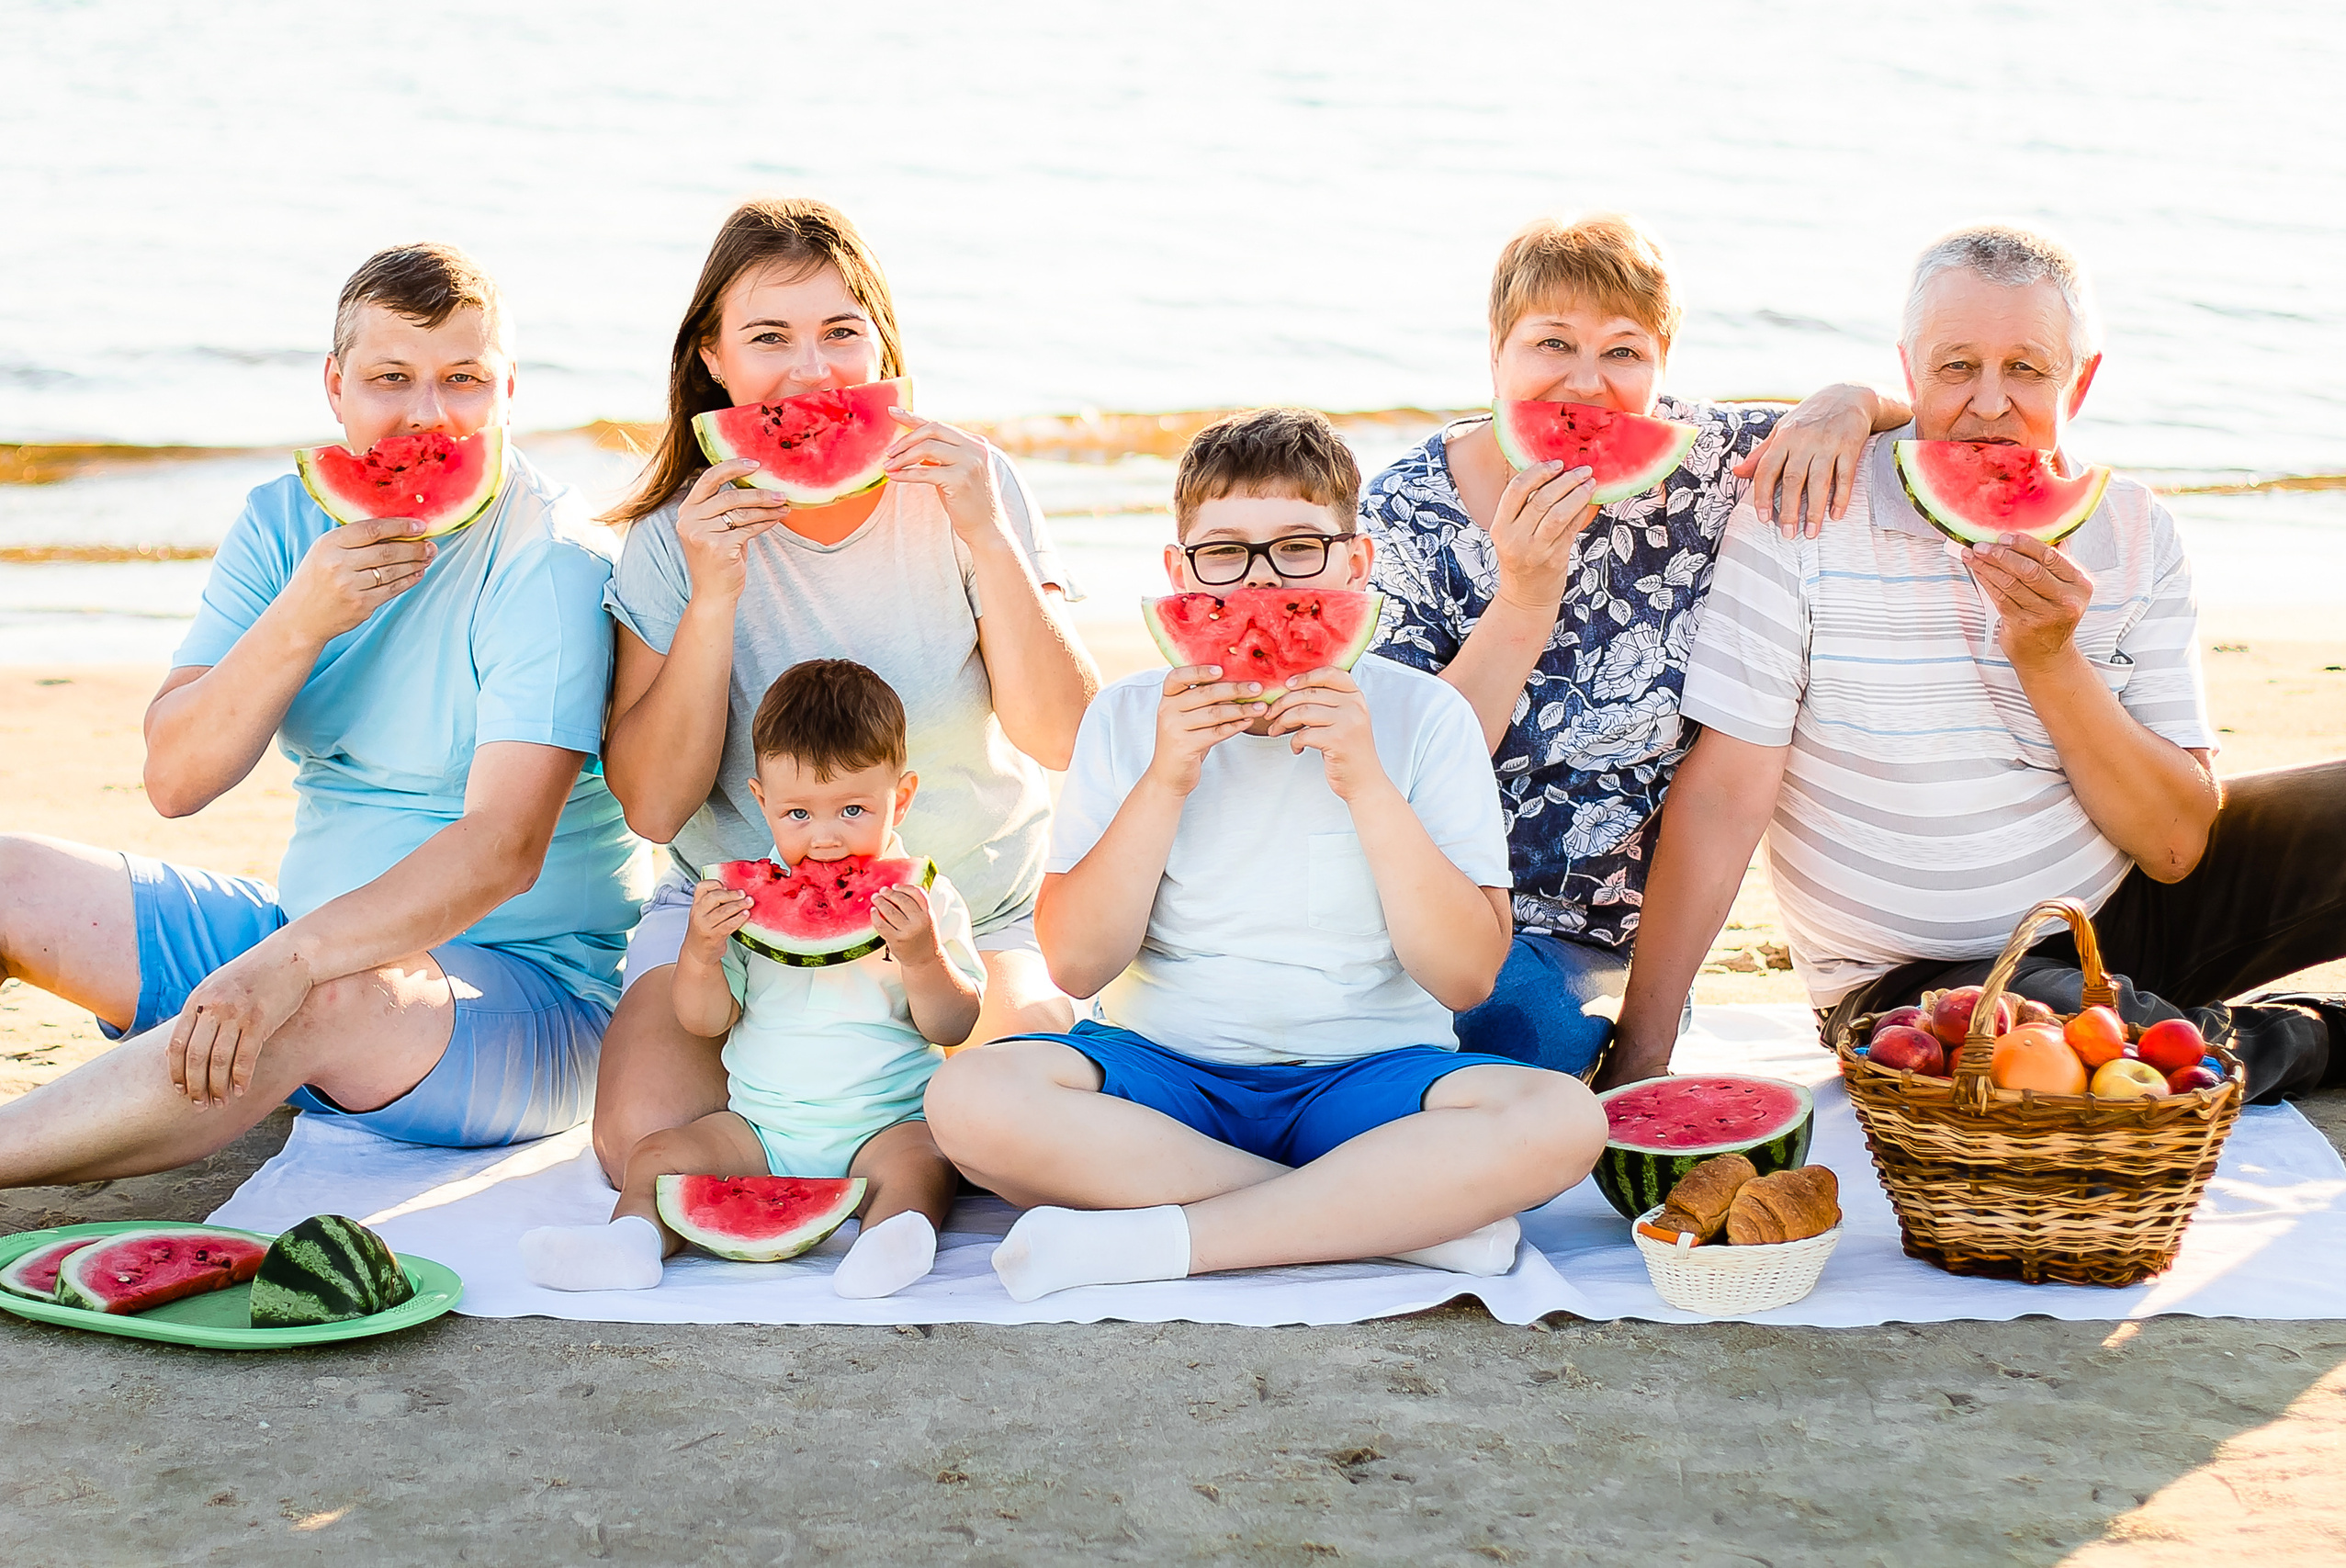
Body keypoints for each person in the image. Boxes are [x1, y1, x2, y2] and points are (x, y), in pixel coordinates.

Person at [1609, 223, 2346, 1101]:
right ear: (1909, 371)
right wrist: (1641, 1048)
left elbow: (2177, 843)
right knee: (2095, 1071)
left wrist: (2050, 661)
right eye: (1956, 367)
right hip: (1911, 981)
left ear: (2083, 376)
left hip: (2119, 909)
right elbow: (1726, 796)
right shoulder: (1803, 513)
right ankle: (2316, 1037)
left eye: (2028, 369)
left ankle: (2155, 1019)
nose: (1990, 405)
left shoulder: (2136, 529)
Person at [924, 409, 1607, 1303]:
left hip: (1374, 1079)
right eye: (1224, 554)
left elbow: (1465, 980)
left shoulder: (1421, 716)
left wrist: (1365, 781)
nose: (1257, 585)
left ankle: (1170, 1240)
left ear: (1355, 564)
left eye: (1297, 549)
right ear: (1178, 572)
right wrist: (1164, 780)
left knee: (1560, 1119)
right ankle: (1388, 1224)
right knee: (970, 1099)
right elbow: (1079, 960)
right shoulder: (1129, 718)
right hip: (1166, 1078)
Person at [0, 243, 644, 1183]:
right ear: (335, 389)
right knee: (8, 877)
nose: (427, 414)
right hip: (298, 942)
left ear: (509, 393)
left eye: (462, 379)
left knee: (334, 996)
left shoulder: (551, 559)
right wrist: (302, 618)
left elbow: (504, 845)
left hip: (512, 1005)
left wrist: (291, 966)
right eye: (392, 379)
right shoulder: (279, 524)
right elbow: (175, 780)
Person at [592, 198, 1096, 1188]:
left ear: (882, 347)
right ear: (712, 359)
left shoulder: (969, 488)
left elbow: (1064, 734)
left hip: (967, 910)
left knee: (1025, 1140)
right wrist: (713, 595)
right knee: (637, 1152)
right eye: (769, 338)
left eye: (840, 333)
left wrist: (988, 537)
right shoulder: (673, 537)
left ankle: (884, 1133)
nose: (812, 372)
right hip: (732, 923)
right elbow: (653, 806)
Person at [1361, 212, 1913, 1078]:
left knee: (1519, 1028)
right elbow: (1399, 762)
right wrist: (1523, 597)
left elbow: (1923, 433)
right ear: (1495, 354)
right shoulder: (1403, 511)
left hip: (1589, 937)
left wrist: (1850, 400)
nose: (1586, 385)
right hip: (1411, 901)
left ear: (1662, 368)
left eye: (1624, 352)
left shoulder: (1709, 466)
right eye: (1552, 344)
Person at [522, 660, 982, 1299]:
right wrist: (701, 954)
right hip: (761, 1128)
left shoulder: (924, 899)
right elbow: (705, 1020)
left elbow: (954, 1022)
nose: (824, 839)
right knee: (655, 1155)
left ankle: (889, 1243)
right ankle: (629, 1243)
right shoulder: (742, 902)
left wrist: (924, 956)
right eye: (798, 813)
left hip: (885, 1124)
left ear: (900, 797)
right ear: (761, 800)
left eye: (853, 808)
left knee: (925, 1164)